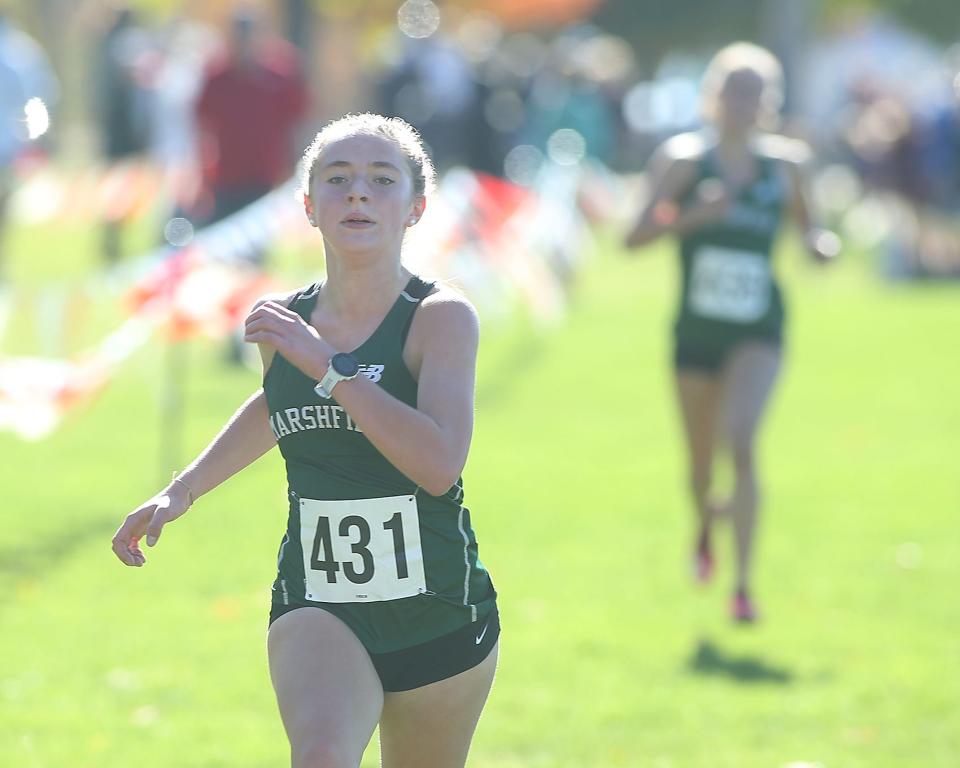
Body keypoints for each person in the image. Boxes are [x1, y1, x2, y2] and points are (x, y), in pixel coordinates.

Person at [111, 113, 499, 767]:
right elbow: (276, 405)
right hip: (319, 600)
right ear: (308, 206)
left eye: (382, 180)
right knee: (319, 754)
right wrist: (182, 491)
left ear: (416, 208)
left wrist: (330, 366)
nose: (358, 194)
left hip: (437, 606)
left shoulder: (440, 318)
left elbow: (437, 464)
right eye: (338, 179)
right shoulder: (288, 323)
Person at [624, 42, 838, 623]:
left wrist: (822, 247)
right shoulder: (685, 160)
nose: (743, 103)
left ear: (770, 101)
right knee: (698, 466)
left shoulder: (788, 164)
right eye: (733, 90)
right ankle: (702, 525)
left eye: (755, 92)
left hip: (758, 328)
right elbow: (634, 236)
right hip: (695, 334)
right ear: (713, 96)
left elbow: (811, 230)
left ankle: (743, 585)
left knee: (740, 442)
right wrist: (694, 215)